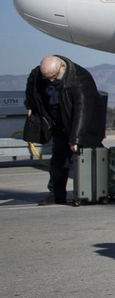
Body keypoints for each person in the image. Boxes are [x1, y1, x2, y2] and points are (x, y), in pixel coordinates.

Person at [23, 56, 104, 206]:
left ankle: (91, 194)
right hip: (58, 122)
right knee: (58, 161)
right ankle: (56, 194)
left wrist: (76, 138)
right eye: (47, 78)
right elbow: (31, 86)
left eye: (53, 77)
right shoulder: (39, 74)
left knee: (88, 158)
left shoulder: (80, 78)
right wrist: (30, 105)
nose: (51, 81)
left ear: (62, 66)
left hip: (82, 124)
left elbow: (83, 110)